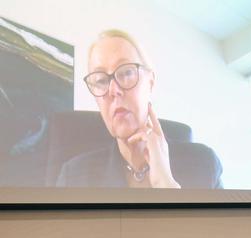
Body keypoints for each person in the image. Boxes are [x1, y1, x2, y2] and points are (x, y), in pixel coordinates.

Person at [56, 29, 222, 189]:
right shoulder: (73, 177)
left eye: (127, 72)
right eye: (100, 80)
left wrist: (167, 186)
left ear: (150, 83)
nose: (113, 90)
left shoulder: (204, 165)